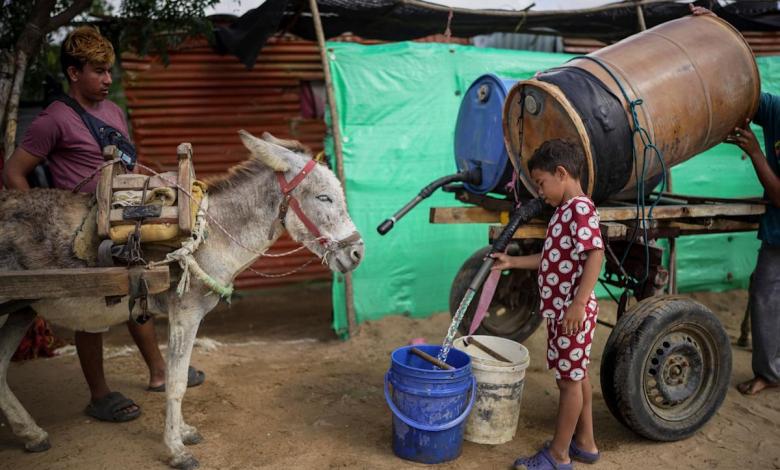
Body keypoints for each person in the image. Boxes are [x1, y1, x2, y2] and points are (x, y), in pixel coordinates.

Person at [3, 26, 204, 422]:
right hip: (79, 230)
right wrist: (42, 220)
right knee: (92, 308)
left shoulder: (113, 112)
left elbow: (125, 165)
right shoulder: (54, 119)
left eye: (109, 70)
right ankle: (99, 395)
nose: (108, 79)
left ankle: (159, 371)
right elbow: (13, 173)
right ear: (74, 73)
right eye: (98, 71)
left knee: (137, 289)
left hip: (125, 219)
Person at [491, 140, 604, 469]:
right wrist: (513, 262)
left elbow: (595, 253)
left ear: (562, 173)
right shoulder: (563, 212)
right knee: (575, 377)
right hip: (562, 312)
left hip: (572, 312)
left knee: (569, 383)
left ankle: (558, 455)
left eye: (541, 183)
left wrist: (578, 303)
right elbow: (551, 258)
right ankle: (585, 443)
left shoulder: (579, 208)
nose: (540, 192)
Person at [690, 3, 780, 397]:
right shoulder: (777, 111)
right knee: (764, 296)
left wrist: (756, 152)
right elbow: (746, 93)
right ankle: (770, 372)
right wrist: (713, 34)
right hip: (777, 232)